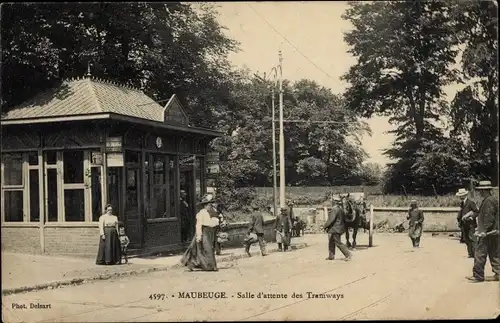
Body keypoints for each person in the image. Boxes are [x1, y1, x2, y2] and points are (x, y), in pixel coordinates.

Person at [466, 181, 499, 283]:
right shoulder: (492, 200)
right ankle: (498, 273)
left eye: (481, 191)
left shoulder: (488, 201)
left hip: (487, 233)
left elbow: (488, 217)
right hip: (494, 232)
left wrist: (483, 231)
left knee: (479, 253)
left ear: (485, 190)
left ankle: (478, 275)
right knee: (494, 253)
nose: (480, 193)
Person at [180, 194, 220, 272]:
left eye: (210, 204)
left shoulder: (208, 212)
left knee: (205, 249)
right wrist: (199, 235)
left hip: (208, 232)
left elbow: (211, 222)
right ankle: (208, 265)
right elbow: (198, 225)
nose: (209, 206)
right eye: (208, 205)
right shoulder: (201, 213)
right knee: (203, 249)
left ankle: (208, 265)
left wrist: (215, 222)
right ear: (205, 205)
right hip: (203, 232)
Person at [324, 196, 352, 261]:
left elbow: (331, 220)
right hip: (338, 228)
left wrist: (325, 226)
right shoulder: (341, 209)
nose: (331, 202)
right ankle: (331, 256)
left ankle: (348, 254)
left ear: (334, 202)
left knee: (338, 243)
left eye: (332, 201)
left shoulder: (335, 209)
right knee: (331, 242)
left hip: (335, 229)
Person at [456, 188, 479, 258]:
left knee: (472, 238)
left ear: (465, 195)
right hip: (464, 224)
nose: (460, 197)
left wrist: (472, 217)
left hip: (470, 224)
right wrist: (459, 221)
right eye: (460, 195)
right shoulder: (462, 203)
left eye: (462, 195)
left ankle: (475, 254)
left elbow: (476, 211)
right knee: (466, 239)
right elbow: (461, 213)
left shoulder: (470, 203)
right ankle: (470, 253)